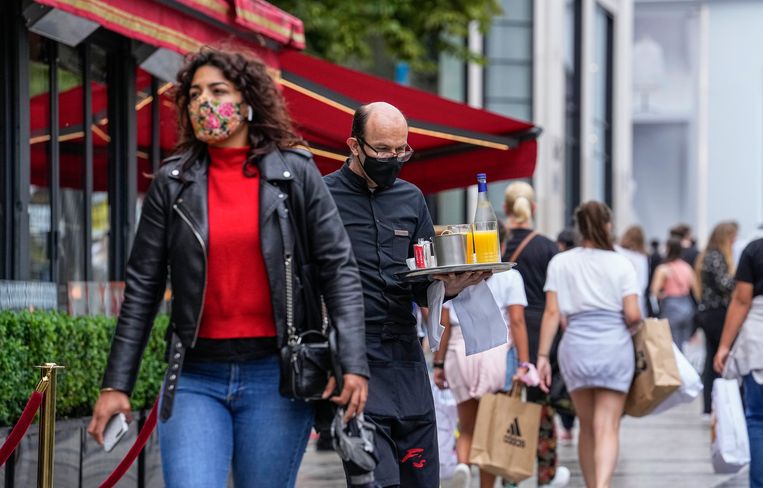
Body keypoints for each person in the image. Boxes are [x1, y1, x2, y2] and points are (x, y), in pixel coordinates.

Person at [87, 48, 369, 488]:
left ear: (247, 100)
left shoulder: (294, 174)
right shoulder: (172, 183)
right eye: (195, 93)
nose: (204, 102)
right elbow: (143, 286)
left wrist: (352, 362)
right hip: (195, 375)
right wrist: (115, 385)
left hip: (276, 377)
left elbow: (339, 268)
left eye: (218, 90)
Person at [324, 102, 485, 488]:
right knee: (375, 480)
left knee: (420, 477)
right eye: (383, 150)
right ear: (354, 145)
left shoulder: (412, 198)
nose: (393, 158)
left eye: (402, 150)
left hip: (406, 354)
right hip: (353, 355)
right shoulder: (322, 196)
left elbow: (424, 280)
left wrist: (451, 286)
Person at [537, 201, 642, 488]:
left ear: (578, 228)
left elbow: (552, 312)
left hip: (577, 348)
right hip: (613, 346)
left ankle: (591, 484)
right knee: (607, 426)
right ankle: (603, 485)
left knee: (586, 425)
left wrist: (543, 356)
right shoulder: (622, 263)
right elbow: (632, 314)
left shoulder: (562, 262)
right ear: (607, 225)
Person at [433, 269, 530, 488]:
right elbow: (517, 321)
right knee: (493, 431)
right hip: (497, 349)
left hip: (460, 349)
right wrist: (524, 363)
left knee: (466, 426)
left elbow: (444, 323)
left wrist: (438, 363)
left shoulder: (455, 273)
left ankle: (463, 466)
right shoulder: (511, 276)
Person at [502, 182, 570, 488]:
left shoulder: (497, 244)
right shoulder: (547, 247)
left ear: (505, 209)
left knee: (507, 405)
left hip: (504, 335)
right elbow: (558, 300)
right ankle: (546, 473)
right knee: (542, 406)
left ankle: (508, 474)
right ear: (534, 209)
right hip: (541, 331)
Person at [714, 238, 763, 488]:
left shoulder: (755, 249)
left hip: (759, 343)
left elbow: (742, 300)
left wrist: (724, 346)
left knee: (757, 419)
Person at [695, 222, 737, 415]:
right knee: (719, 359)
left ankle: (709, 404)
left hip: (707, 311)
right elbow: (724, 284)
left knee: (711, 358)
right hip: (717, 312)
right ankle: (718, 403)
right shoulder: (717, 256)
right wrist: (742, 277)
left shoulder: (706, 255)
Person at [650, 237, 696, 350]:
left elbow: (654, 291)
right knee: (684, 343)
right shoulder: (687, 267)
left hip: (671, 306)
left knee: (671, 344)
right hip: (687, 305)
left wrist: (662, 295)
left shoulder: (664, 268)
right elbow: (695, 288)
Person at [615, 225, 650, 319]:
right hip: (638, 301)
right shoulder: (642, 258)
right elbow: (643, 283)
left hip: (619, 300)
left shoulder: (617, 252)